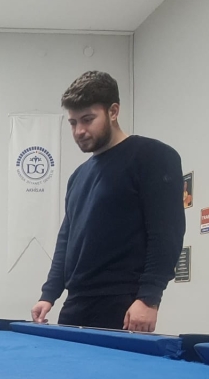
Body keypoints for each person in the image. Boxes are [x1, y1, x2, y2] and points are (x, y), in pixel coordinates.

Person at [31, 71, 185, 333]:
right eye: (73, 123)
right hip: (76, 304)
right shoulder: (78, 176)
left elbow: (166, 233)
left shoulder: (153, 156)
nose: (79, 131)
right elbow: (67, 239)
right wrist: (49, 294)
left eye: (88, 119)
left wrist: (149, 298)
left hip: (124, 306)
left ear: (113, 111)